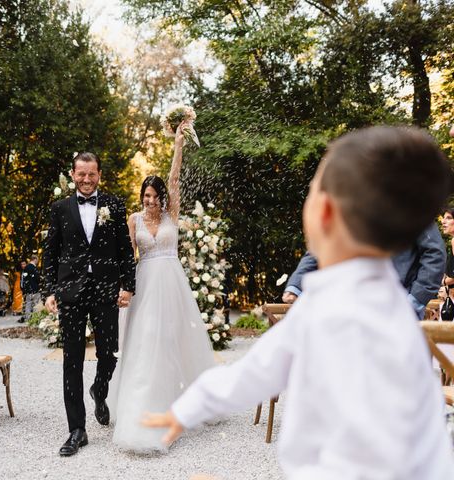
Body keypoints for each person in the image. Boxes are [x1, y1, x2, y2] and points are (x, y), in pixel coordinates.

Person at [143, 126, 454, 478]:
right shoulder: (392, 315)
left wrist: (185, 409)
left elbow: (253, 375)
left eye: (309, 192)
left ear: (323, 213)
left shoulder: (330, 312)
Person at [106, 124, 215, 453]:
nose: (150, 200)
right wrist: (123, 289)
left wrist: (178, 145)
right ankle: (140, 410)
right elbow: (128, 258)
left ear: (162, 198)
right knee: (144, 342)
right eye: (145, 196)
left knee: (169, 341)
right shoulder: (134, 220)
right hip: (145, 286)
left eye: (154, 196)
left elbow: (175, 180)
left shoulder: (172, 213)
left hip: (170, 285)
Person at [42, 151, 136, 457]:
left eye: (91, 174)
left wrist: (128, 285)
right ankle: (77, 430)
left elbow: (125, 248)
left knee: (109, 352)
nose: (86, 180)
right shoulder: (60, 208)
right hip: (71, 291)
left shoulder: (114, 205)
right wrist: (49, 291)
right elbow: (51, 252)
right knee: (72, 359)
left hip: (107, 289)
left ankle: (100, 388)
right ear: (72, 174)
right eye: (81, 174)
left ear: (99, 175)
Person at [281, 220, 445, 319]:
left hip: (397, 308)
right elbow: (321, 247)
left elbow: (434, 253)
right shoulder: (348, 201)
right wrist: (296, 285)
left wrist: (414, 301)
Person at [19, 255, 40, 323]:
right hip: (35, 289)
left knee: (28, 303)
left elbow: (24, 279)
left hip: (28, 289)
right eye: (37, 260)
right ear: (35, 259)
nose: (38, 261)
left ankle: (28, 318)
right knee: (36, 304)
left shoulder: (26, 268)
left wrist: (25, 288)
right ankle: (35, 318)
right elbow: (37, 278)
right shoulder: (34, 268)